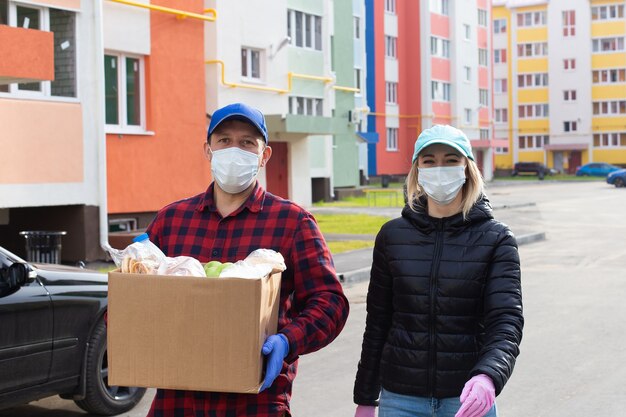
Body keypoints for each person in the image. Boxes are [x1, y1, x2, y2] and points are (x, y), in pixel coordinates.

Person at [145, 102, 350, 417]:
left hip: (255, 404)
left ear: (263, 155)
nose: (234, 150)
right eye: (224, 140)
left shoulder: (292, 222)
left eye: (246, 142)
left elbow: (330, 303)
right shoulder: (171, 221)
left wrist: (287, 341)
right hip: (178, 402)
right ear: (208, 149)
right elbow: (133, 298)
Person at [353, 124, 523, 417]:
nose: (439, 168)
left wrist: (488, 376)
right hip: (399, 399)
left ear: (467, 168)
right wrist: (366, 398)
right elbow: (378, 323)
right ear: (417, 170)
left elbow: (505, 322)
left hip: (467, 398)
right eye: (429, 161)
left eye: (451, 160)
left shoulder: (496, 239)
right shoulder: (392, 236)